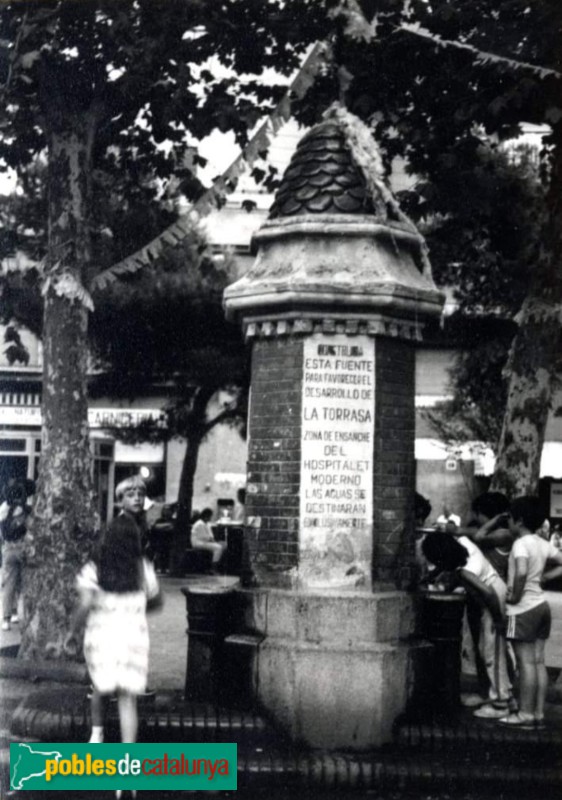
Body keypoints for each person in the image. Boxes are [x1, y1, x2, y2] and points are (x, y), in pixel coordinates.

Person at [65, 475, 158, 747]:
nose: (137, 498)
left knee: (101, 688)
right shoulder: (142, 567)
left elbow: (83, 603)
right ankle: (127, 762)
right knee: (128, 697)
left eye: (140, 493)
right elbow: (155, 598)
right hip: (132, 635)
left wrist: (72, 633)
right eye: (131, 493)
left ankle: (97, 737)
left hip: (103, 634)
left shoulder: (96, 568)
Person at [422, 532, 513, 718]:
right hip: (494, 595)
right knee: (486, 649)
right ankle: (498, 695)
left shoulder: (466, 572)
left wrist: (497, 620)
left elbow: (488, 594)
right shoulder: (464, 543)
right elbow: (449, 565)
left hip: (494, 600)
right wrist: (431, 577)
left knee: (492, 652)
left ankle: (501, 703)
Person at [499, 496, 562, 729]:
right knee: (538, 662)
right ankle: (537, 713)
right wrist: (546, 577)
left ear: (520, 521)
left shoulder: (520, 544)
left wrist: (515, 595)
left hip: (523, 607)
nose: (509, 524)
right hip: (541, 605)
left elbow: (522, 571)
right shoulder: (543, 543)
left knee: (524, 663)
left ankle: (524, 713)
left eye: (510, 519)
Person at [1, 482, 33, 631]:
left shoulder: (2, 509)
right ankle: (22, 618)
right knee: (23, 585)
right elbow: (31, 527)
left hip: (7, 549)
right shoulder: (23, 510)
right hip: (22, 548)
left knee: (9, 584)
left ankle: (6, 618)